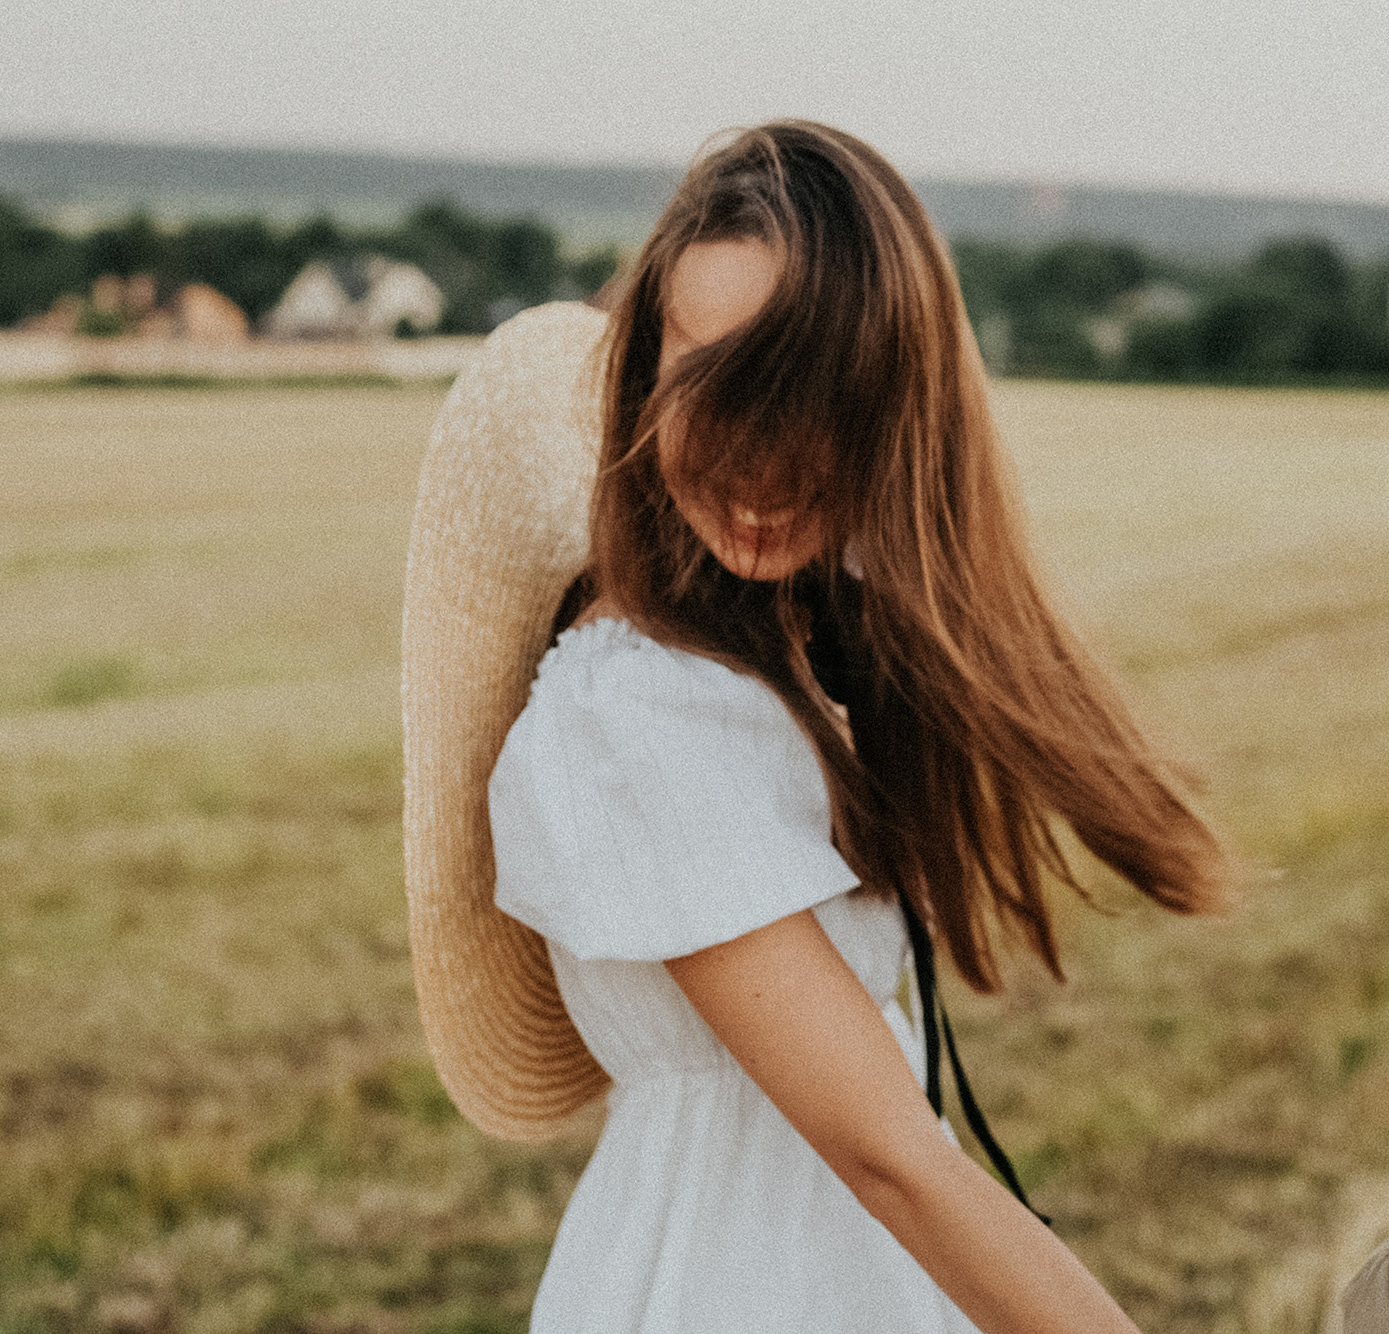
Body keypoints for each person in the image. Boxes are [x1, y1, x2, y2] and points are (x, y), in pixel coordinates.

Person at [400, 121, 1232, 1333]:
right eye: (711, 382)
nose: (758, 458)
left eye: (813, 397)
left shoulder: (778, 654)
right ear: (642, 379)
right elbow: (888, 1155)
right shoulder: (635, 718)